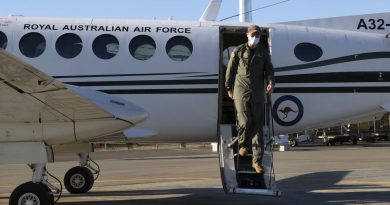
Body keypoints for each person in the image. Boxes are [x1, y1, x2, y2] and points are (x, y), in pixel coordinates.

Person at [225, 25, 274, 174]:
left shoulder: (263, 53)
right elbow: (231, 69)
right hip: (241, 92)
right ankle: (243, 144)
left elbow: (269, 70)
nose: (255, 38)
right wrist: (228, 87)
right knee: (245, 121)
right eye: (253, 35)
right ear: (247, 35)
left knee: (257, 128)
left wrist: (271, 82)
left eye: (257, 35)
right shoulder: (238, 51)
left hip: (258, 93)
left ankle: (256, 162)